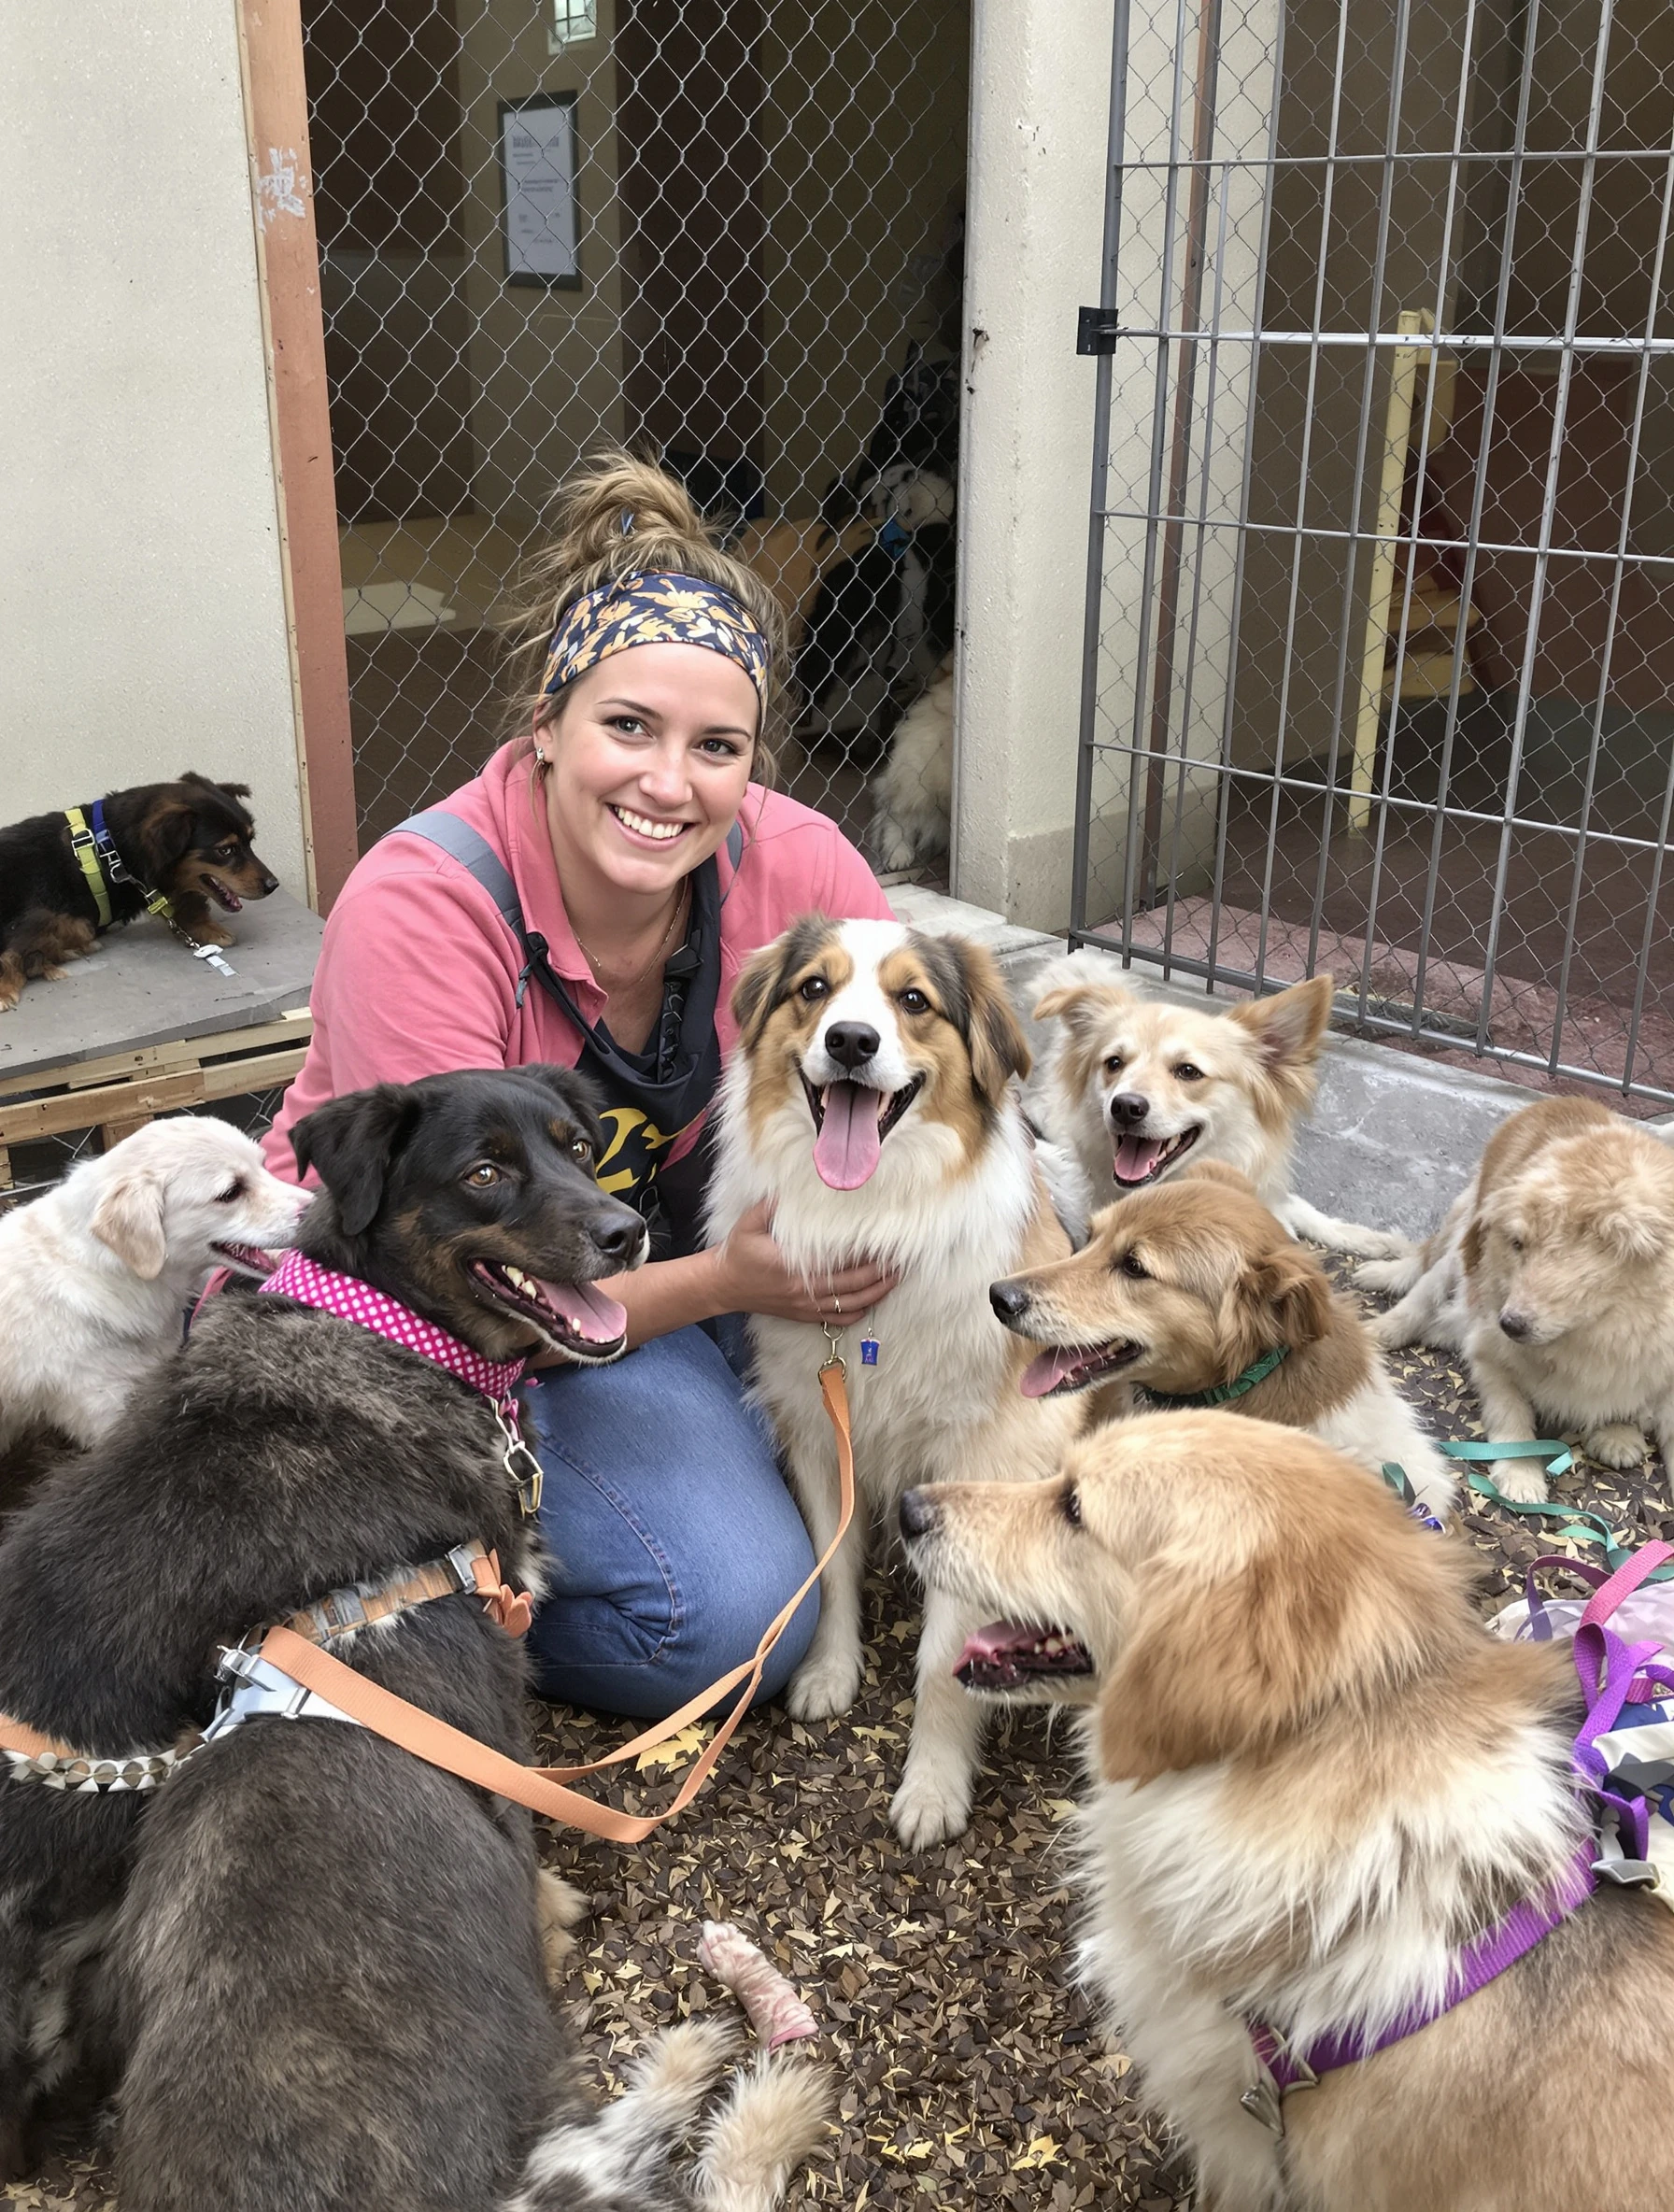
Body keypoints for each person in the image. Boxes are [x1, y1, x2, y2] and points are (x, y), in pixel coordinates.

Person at [266, 456, 900, 1718]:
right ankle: (395, 1620)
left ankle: (695, 1447)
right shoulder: (427, 903)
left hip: (670, 1263)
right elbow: (439, 1273)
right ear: (545, 727)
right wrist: (728, 1288)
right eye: (628, 729)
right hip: (452, 1321)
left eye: (717, 747)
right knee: (730, 1622)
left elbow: (917, 1083)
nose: (671, 785)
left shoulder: (802, 867)